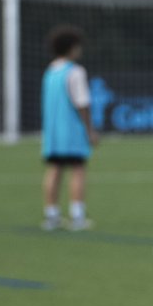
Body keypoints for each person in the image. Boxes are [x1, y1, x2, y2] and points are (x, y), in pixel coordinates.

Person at [40, 25, 98, 231]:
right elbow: (82, 103)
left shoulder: (50, 72)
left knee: (54, 170)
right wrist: (90, 129)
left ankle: (51, 216)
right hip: (71, 131)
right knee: (78, 170)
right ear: (72, 48)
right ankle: (77, 216)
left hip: (53, 133)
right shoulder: (75, 72)